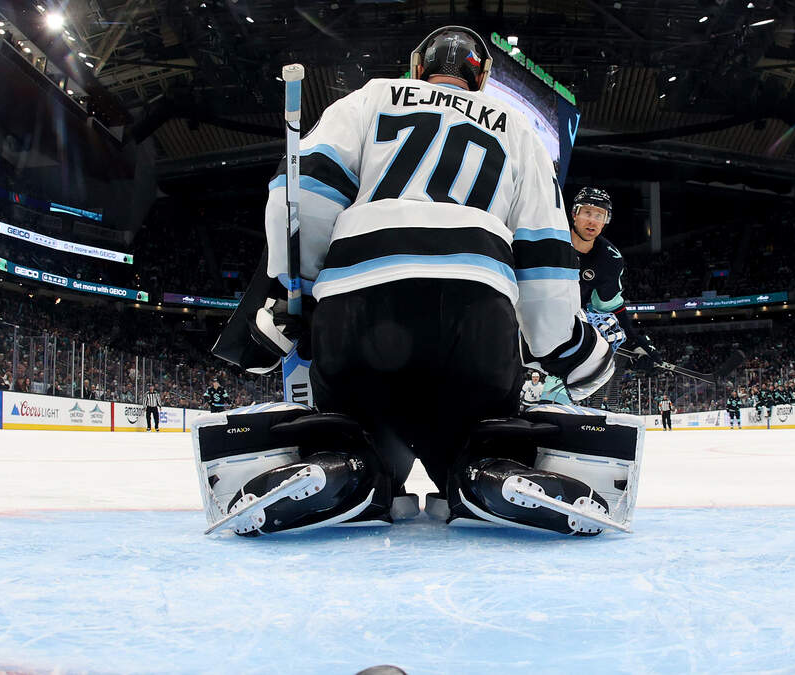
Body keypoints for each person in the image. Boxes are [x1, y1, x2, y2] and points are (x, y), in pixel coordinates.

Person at [196, 26, 637, 538]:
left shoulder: (371, 97)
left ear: (417, 68)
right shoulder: (519, 129)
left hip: (358, 305)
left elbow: (302, 193)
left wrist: (300, 289)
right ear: (482, 78)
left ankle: (345, 473)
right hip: (475, 309)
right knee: (479, 436)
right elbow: (545, 256)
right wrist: (567, 347)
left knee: (356, 431)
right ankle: (486, 477)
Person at [541, 187, 660, 403]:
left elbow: (611, 307)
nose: (592, 221)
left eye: (599, 215)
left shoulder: (610, 259)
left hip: (564, 321)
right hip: (528, 310)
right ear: (574, 214)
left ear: (606, 221)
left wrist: (635, 341)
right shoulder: (548, 240)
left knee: (603, 335)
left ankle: (556, 396)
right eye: (587, 212)